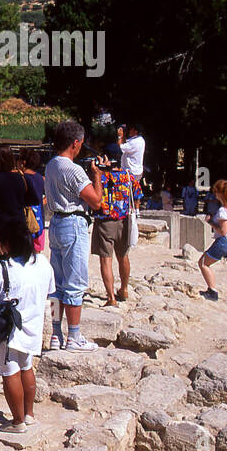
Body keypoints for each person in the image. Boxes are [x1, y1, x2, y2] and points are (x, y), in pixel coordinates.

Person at [0, 215, 55, 433]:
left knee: (9, 372)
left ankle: (17, 422)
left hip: (7, 328)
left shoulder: (3, 268)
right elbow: (50, 290)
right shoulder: (42, 262)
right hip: (33, 323)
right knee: (26, 367)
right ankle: (29, 414)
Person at [44, 120, 104, 350]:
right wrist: (97, 176)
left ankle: (56, 333)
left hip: (57, 222)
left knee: (57, 283)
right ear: (75, 143)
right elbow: (96, 202)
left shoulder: (51, 165)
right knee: (75, 282)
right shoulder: (73, 169)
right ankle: (74, 336)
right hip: (73, 222)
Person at [88, 142, 137, 307]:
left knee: (106, 259)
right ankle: (124, 289)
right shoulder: (127, 175)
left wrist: (96, 171)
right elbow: (138, 194)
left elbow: (92, 195)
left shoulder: (101, 176)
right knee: (123, 256)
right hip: (124, 220)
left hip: (105, 221)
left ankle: (111, 298)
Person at [198, 179, 227, 305]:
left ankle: (212, 291)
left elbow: (223, 231)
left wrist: (210, 222)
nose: (215, 195)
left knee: (203, 263)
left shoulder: (223, 211)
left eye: (217, 192)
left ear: (222, 194)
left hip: (226, 242)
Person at [117, 123, 146, 253]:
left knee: (130, 193)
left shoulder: (136, 142)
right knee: (135, 192)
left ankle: (132, 211)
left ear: (135, 130)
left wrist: (120, 136)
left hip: (131, 171)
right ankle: (136, 210)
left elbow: (121, 147)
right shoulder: (138, 140)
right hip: (134, 170)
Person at [19, 147, 48, 254]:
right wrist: (42, 201)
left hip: (26, 221)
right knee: (37, 254)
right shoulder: (41, 178)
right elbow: (49, 196)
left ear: (23, 162)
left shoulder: (21, 178)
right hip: (40, 221)